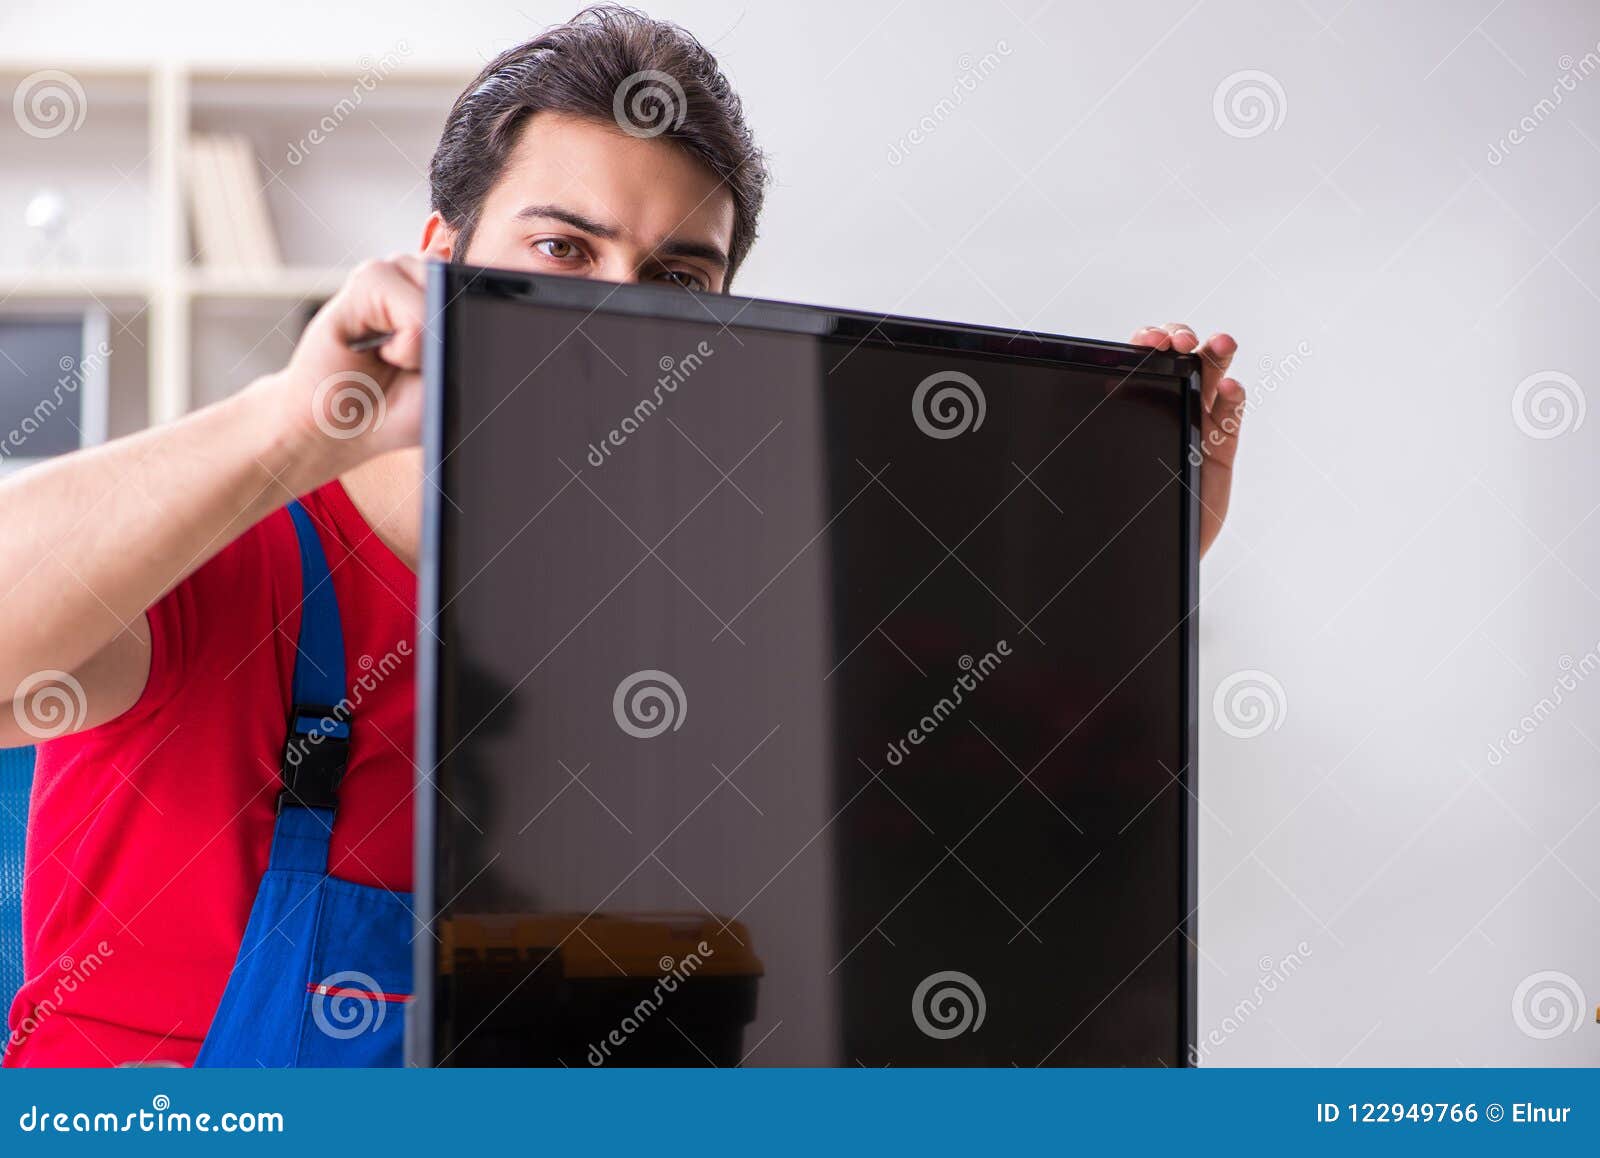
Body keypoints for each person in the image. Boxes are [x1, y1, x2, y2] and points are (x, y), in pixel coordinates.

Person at [0, 5, 1246, 1067]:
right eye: (559, 248)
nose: (611, 318)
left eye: (674, 281)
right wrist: (289, 427)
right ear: (440, 259)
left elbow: (998, 834)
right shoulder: (236, 556)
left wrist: (1134, 553)